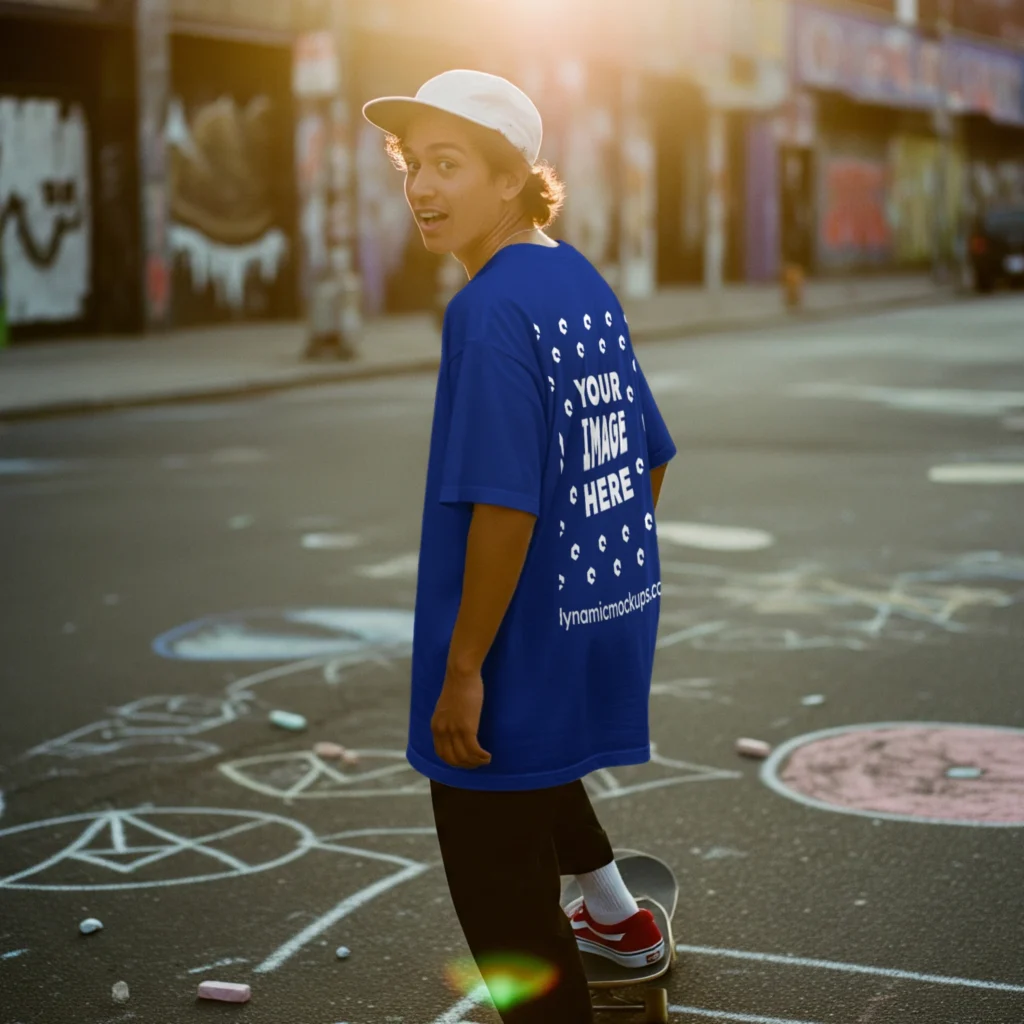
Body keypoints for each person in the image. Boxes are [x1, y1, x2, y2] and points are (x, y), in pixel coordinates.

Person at [362, 69, 677, 1023]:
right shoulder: (575, 275)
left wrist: (465, 667)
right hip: (588, 624)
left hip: (509, 649)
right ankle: (619, 919)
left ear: (511, 179)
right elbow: (649, 459)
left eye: (449, 165)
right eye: (415, 165)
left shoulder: (488, 310)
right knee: (542, 781)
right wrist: (580, 590)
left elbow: (506, 508)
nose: (421, 187)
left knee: (509, 923)